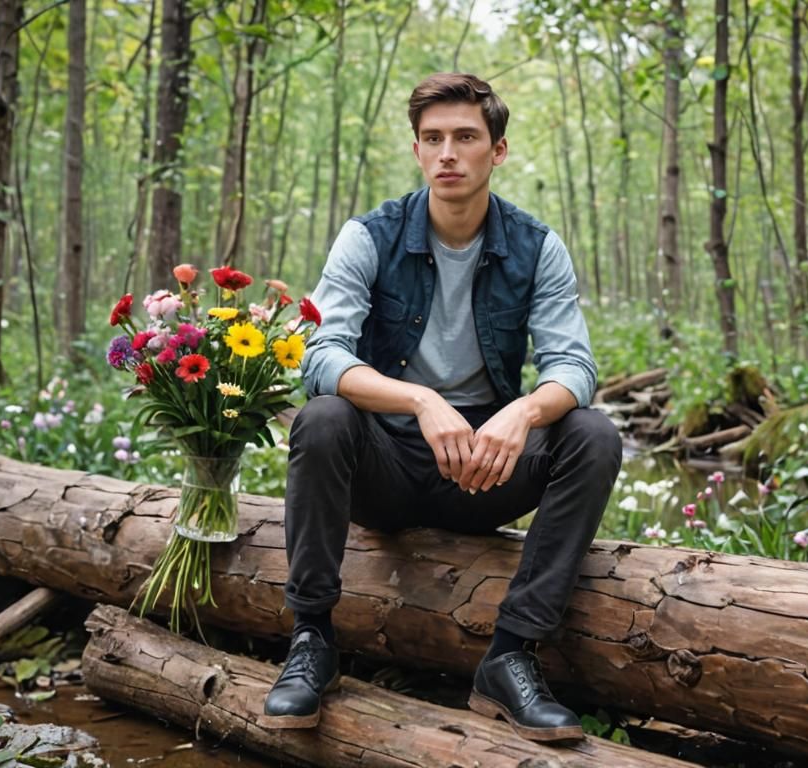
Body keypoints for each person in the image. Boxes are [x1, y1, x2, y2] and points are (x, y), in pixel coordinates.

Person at [259, 72, 621, 742]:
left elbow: (574, 366)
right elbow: (319, 356)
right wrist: (419, 398)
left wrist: (522, 414)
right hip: (384, 471)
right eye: (433, 138)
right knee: (323, 418)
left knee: (592, 436)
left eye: (465, 137)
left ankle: (510, 655)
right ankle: (311, 640)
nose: (447, 152)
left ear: (498, 150)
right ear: (417, 150)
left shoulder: (536, 246)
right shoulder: (370, 236)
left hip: (482, 472)